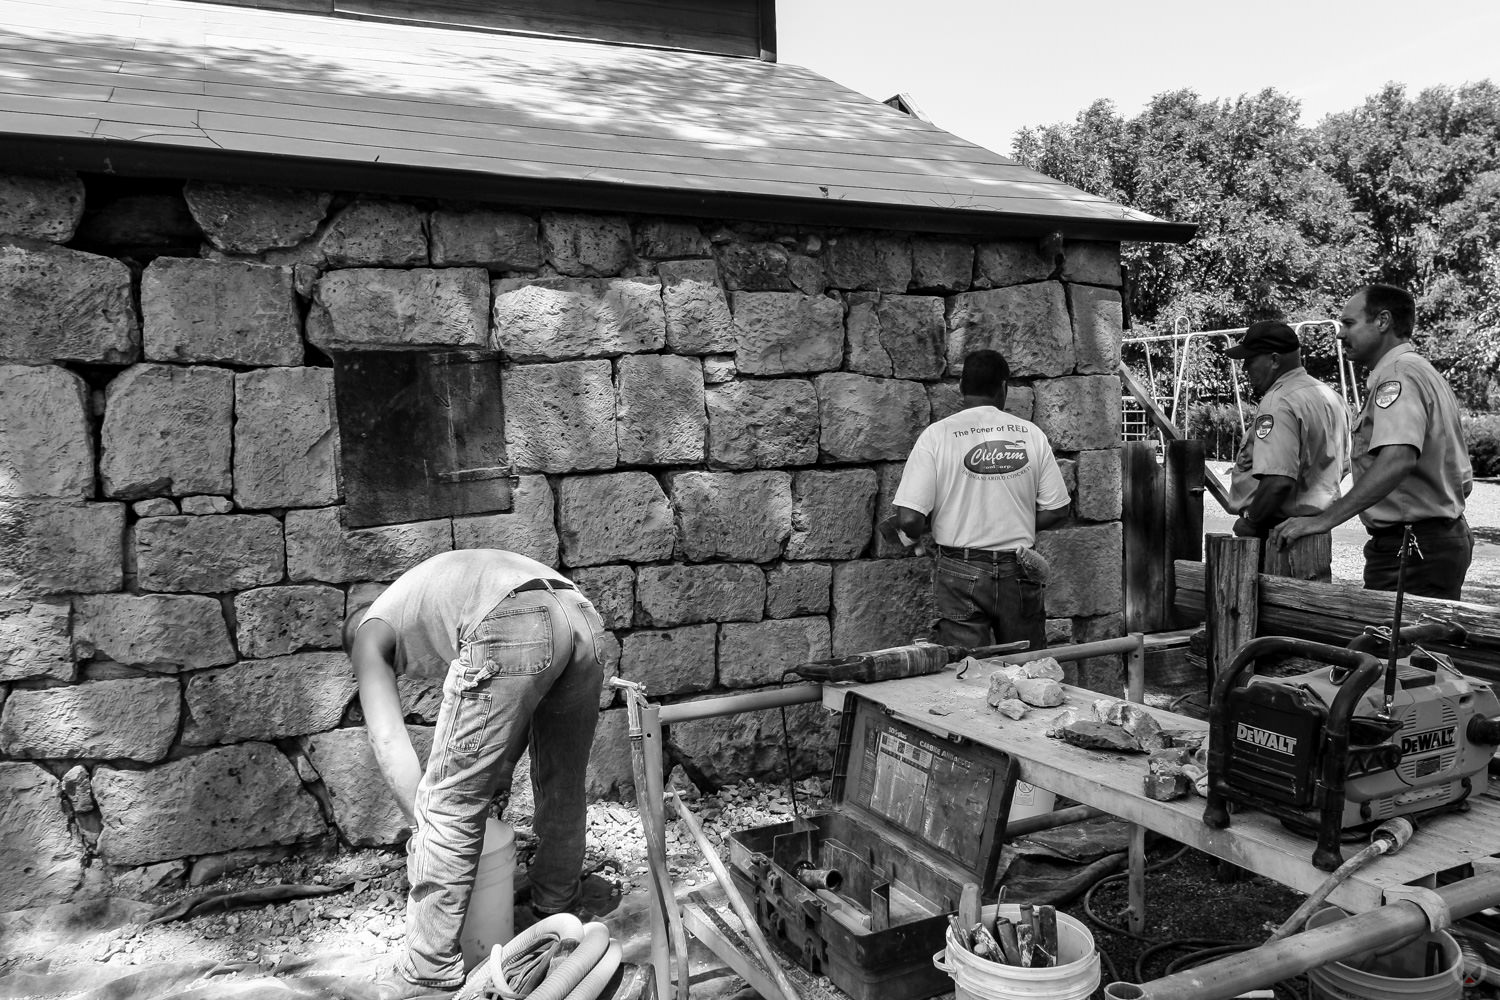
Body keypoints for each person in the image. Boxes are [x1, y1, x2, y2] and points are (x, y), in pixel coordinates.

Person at [344, 548, 606, 999]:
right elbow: (518, 706)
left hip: (514, 619)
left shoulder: (367, 634)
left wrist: (427, 827)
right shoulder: (430, 594)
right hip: (579, 615)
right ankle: (556, 907)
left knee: (446, 804)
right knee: (561, 782)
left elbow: (388, 742)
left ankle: (425, 972)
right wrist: (497, 773)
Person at [1270, 285, 1474, 599]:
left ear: (1382, 321)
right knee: (1415, 646)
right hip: (1434, 539)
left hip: (1411, 547)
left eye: (1349, 323)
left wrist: (1323, 521)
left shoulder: (1398, 376)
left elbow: (1397, 458)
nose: (1340, 334)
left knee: (1390, 646)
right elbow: (1459, 476)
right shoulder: (1422, 371)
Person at [891, 349, 1071, 652]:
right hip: (1019, 571)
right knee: (1027, 671)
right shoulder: (1031, 435)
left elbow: (909, 519)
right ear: (1004, 388)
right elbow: (1057, 510)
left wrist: (933, 527)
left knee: (965, 673)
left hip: (959, 571)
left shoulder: (937, 436)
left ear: (961, 389)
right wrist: (1014, 522)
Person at [1224, 321, 1351, 547]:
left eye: (1250, 360)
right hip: (1313, 531)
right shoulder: (1330, 396)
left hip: (1278, 533)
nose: (1245, 369)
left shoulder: (1279, 402)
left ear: (1274, 360)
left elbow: (1278, 480)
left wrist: (1252, 522)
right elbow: (1339, 466)